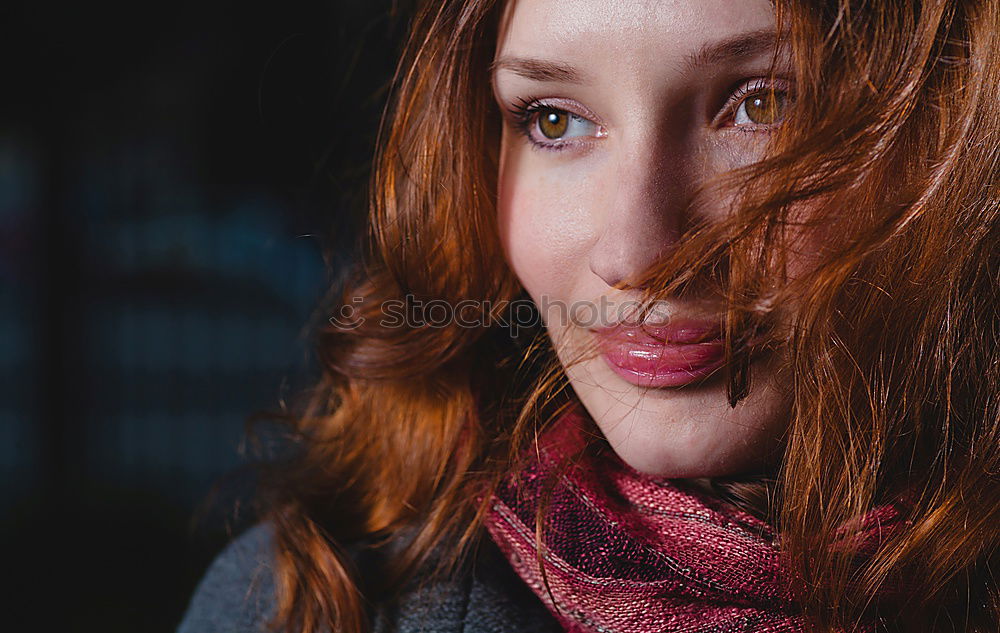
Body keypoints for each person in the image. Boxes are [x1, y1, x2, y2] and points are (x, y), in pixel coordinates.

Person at [177, 0, 1000, 631]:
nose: (636, 254)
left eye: (761, 107)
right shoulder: (308, 603)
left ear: (952, 134)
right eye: (554, 120)